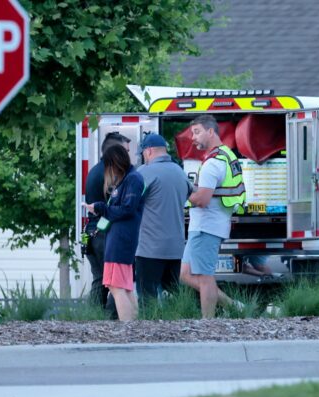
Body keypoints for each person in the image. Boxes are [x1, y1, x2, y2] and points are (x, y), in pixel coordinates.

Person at [180, 115, 246, 318]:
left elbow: (202, 200)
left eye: (197, 132)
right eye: (192, 133)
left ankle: (207, 322)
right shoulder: (225, 155)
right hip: (207, 226)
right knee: (185, 274)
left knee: (204, 276)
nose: (193, 137)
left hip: (206, 226)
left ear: (211, 131)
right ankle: (234, 306)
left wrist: (182, 191)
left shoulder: (212, 163)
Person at [84, 144, 144, 321]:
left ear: (115, 162)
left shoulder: (132, 180)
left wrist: (100, 208)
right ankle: (133, 324)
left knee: (115, 286)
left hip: (120, 239)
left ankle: (127, 326)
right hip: (119, 237)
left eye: (108, 165)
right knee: (124, 287)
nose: (107, 170)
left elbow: (127, 209)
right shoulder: (128, 179)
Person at [135, 133, 192, 302]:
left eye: (143, 153)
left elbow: (130, 202)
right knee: (175, 292)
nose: (143, 157)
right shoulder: (179, 171)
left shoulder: (145, 172)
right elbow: (192, 194)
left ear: (149, 151)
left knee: (147, 296)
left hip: (150, 248)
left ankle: (148, 326)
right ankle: (180, 322)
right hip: (175, 247)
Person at [83, 132, 131, 310]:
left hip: (93, 231)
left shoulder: (98, 169)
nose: (128, 154)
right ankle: (108, 317)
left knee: (101, 278)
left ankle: (95, 318)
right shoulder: (107, 173)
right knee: (111, 280)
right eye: (125, 150)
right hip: (101, 233)